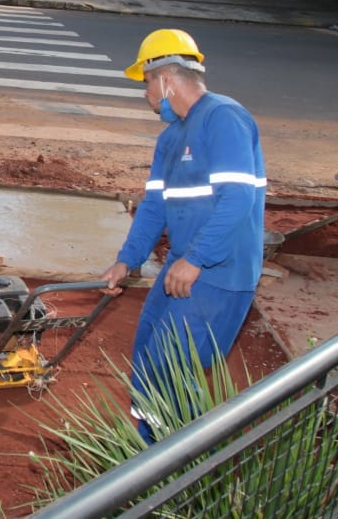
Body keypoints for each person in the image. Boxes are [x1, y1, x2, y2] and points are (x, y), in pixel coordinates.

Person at [101, 29, 266, 443]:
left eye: (146, 84)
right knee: (146, 353)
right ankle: (148, 448)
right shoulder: (170, 138)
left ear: (166, 80)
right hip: (185, 264)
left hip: (219, 273)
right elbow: (154, 206)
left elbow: (238, 198)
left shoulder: (223, 117)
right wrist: (128, 259)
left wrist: (194, 259)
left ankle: (183, 463)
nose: (146, 96)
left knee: (171, 364)